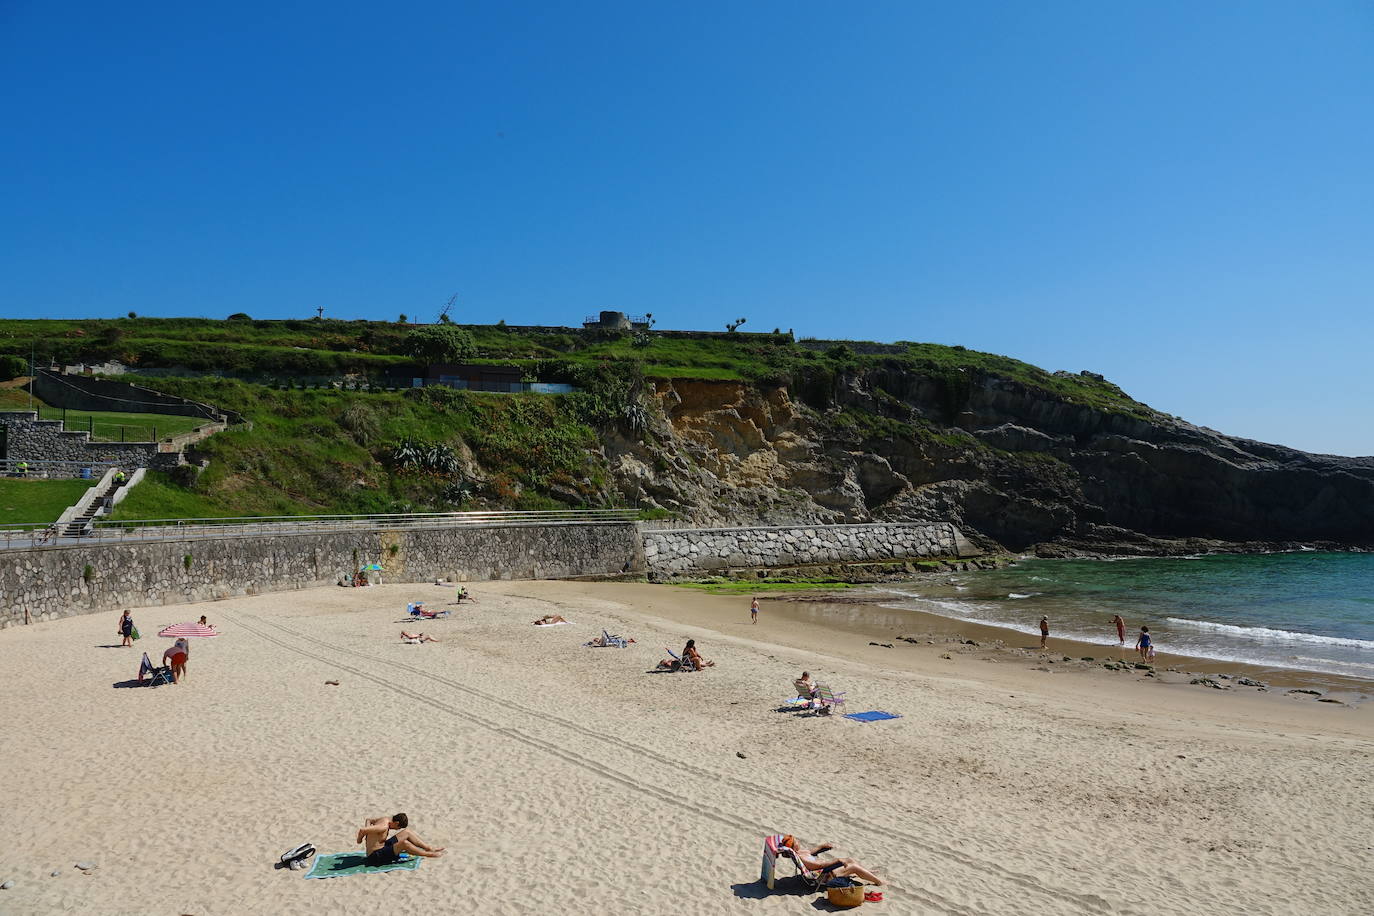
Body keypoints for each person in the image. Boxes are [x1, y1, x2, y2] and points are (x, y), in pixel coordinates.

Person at [779, 835, 884, 886]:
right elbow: (819, 866)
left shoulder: (800, 853)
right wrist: (837, 860)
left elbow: (811, 851)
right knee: (853, 867)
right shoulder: (802, 858)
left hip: (827, 871)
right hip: (824, 876)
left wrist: (821, 846)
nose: (798, 841)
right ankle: (879, 882)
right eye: (796, 841)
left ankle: (868, 873)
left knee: (850, 859)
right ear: (794, 847)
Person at [356, 813, 445, 865]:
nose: (397, 830)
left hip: (382, 847)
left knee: (407, 832)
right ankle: (427, 854)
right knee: (404, 844)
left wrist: (368, 834)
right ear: (396, 823)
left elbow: (369, 820)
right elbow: (362, 830)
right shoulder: (383, 826)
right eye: (398, 827)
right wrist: (359, 840)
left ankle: (428, 848)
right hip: (374, 857)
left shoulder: (385, 819)